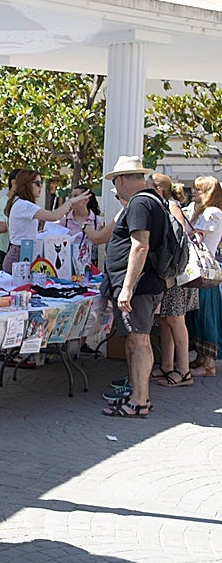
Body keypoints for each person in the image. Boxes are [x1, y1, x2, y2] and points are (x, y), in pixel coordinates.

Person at [100, 156, 166, 418]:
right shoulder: (153, 200)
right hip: (146, 284)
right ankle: (140, 396)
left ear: (122, 179)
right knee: (139, 340)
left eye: (116, 183)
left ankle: (139, 401)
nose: (115, 189)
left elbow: (140, 245)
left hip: (139, 286)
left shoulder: (140, 203)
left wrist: (127, 288)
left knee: (138, 342)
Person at [149, 173, 197, 386]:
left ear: (158, 189)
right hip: (167, 272)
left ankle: (184, 371)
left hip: (176, 273)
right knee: (165, 319)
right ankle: (167, 365)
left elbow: (179, 237)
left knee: (176, 320)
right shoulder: (163, 206)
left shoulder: (171, 206)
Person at [2, 170, 89, 274]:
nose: (41, 187)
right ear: (26, 185)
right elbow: (54, 216)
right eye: (37, 183)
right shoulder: (23, 205)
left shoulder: (20, 203)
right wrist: (71, 201)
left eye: (41, 183)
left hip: (23, 252)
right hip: (20, 255)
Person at [188, 174, 222, 378]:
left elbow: (196, 237)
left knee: (206, 316)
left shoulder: (212, 212)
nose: (194, 192)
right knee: (198, 316)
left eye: (198, 189)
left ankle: (209, 363)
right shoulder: (205, 211)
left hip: (206, 272)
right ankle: (201, 357)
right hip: (201, 271)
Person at [59, 185, 111, 272]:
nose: (72, 199)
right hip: (68, 268)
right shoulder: (65, 221)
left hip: (91, 269)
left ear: (86, 200)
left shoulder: (98, 221)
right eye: (71, 196)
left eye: (75, 196)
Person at [0, 168, 19, 273]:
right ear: (14, 182)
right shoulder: (0, 203)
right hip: (2, 255)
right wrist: (19, 222)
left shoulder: (25, 204)